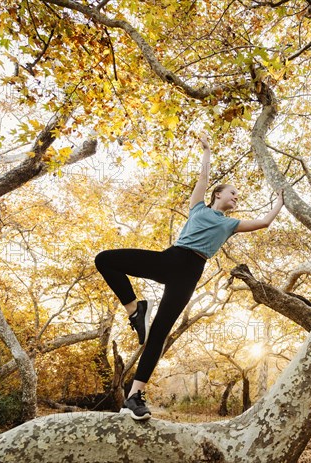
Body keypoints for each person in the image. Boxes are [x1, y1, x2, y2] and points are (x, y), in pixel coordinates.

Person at [95, 133, 284, 420]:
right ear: (218, 194)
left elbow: (265, 222)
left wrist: (281, 200)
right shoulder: (198, 207)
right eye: (233, 192)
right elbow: (203, 178)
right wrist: (207, 150)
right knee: (105, 260)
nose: (236, 197)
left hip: (190, 273)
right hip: (172, 258)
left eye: (238, 196)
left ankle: (133, 397)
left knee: (159, 333)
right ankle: (135, 309)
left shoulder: (231, 224)